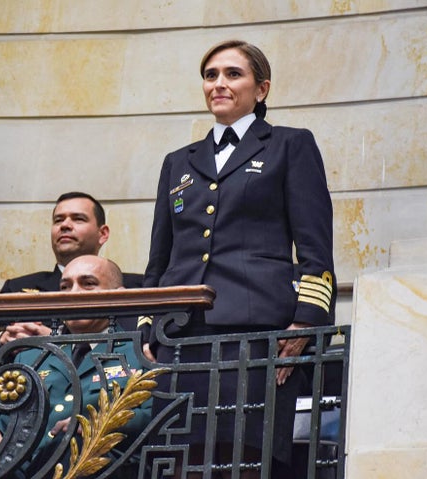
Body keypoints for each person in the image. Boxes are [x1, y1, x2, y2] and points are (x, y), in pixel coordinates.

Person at [141, 40, 335, 478]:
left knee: (243, 458)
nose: (219, 83)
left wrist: (305, 322)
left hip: (255, 330)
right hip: (181, 332)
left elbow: (315, 245)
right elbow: (160, 257)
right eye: (210, 75)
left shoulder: (290, 145)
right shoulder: (178, 162)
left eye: (233, 74)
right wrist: (148, 324)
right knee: (179, 460)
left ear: (261, 89)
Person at [0, 255, 149, 477]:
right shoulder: (31, 356)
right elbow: (0, 411)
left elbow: (151, 414)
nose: (73, 293)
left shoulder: (138, 354)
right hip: (21, 468)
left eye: (88, 284)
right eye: (65, 286)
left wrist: (96, 424)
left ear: (119, 295)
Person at [0, 192, 143, 342]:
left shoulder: (139, 288)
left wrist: (58, 340)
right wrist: (4, 338)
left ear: (102, 233)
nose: (65, 225)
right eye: (58, 220)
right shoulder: (16, 288)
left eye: (78, 219)